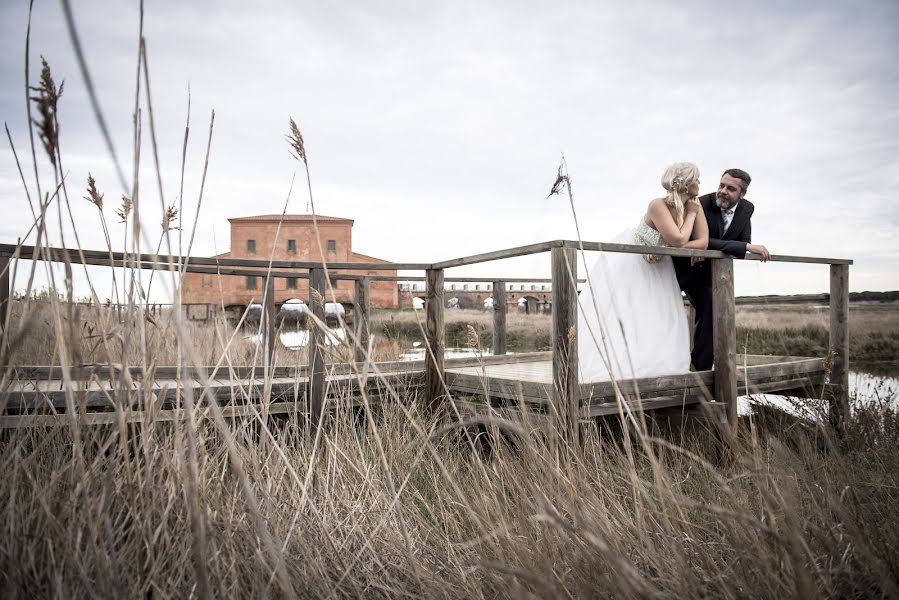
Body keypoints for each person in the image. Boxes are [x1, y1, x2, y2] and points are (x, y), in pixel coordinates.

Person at [577, 162, 709, 383]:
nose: (699, 183)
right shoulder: (658, 205)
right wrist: (690, 217)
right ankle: (617, 363)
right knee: (628, 311)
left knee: (658, 313)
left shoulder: (695, 206)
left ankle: (655, 362)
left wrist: (672, 245)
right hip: (633, 261)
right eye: (696, 179)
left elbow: (702, 243)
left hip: (659, 265)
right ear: (685, 183)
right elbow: (678, 238)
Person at [672, 168, 770, 371]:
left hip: (710, 274)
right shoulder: (701, 203)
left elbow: (741, 241)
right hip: (682, 268)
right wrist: (744, 247)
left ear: (742, 194)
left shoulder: (747, 209)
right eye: (721, 185)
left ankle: (700, 370)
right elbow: (699, 241)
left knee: (712, 311)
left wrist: (742, 246)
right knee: (665, 309)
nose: (723, 191)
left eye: (731, 189)